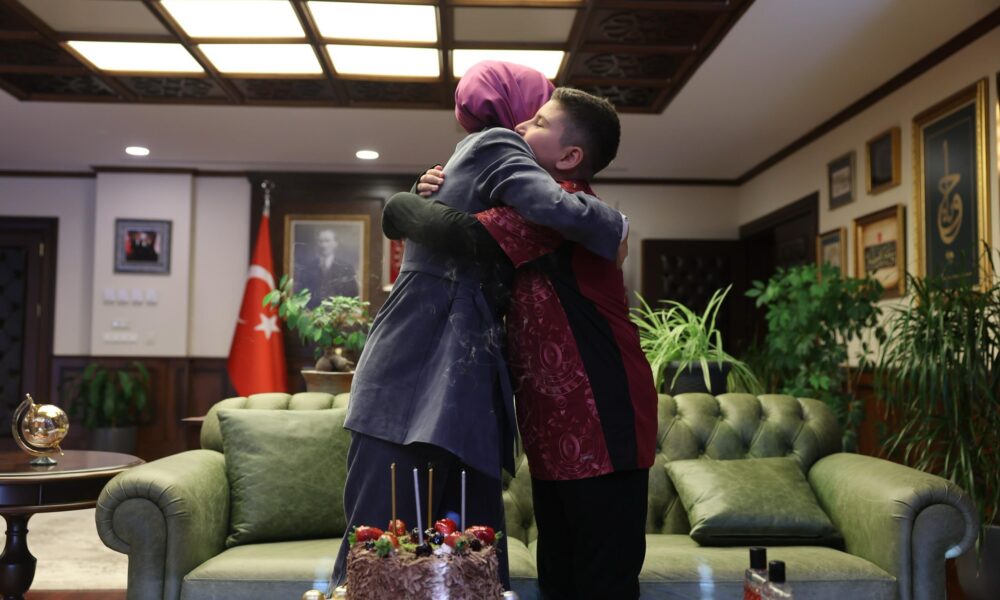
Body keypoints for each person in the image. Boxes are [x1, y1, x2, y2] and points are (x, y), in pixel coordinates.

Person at [332, 61, 628, 589]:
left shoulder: (500, 164)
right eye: (533, 109)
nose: (526, 124)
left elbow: (458, 231)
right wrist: (617, 224)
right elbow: (461, 230)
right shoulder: (498, 147)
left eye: (541, 118)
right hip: (435, 357)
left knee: (413, 543)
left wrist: (404, 204)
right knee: (428, 546)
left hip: (440, 358)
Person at [296, 228, 359, 303]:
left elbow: (353, 296)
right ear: (317, 244)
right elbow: (300, 295)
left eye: (327, 241)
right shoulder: (307, 268)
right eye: (320, 241)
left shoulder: (346, 268)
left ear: (336, 243)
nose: (323, 245)